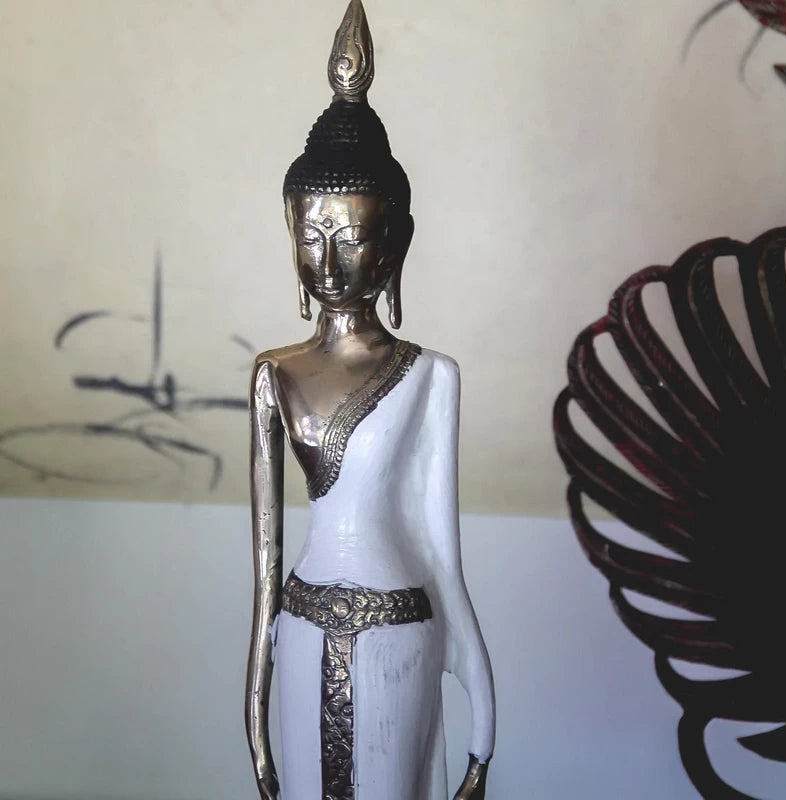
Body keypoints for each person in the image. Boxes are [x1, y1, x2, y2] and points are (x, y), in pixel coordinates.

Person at [245, 3, 495, 799]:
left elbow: (444, 553)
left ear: (395, 243)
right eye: (311, 236)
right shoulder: (274, 373)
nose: (328, 261)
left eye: (351, 238)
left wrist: (483, 725)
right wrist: (253, 712)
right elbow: (264, 571)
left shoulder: (430, 376)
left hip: (400, 630)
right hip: (299, 623)